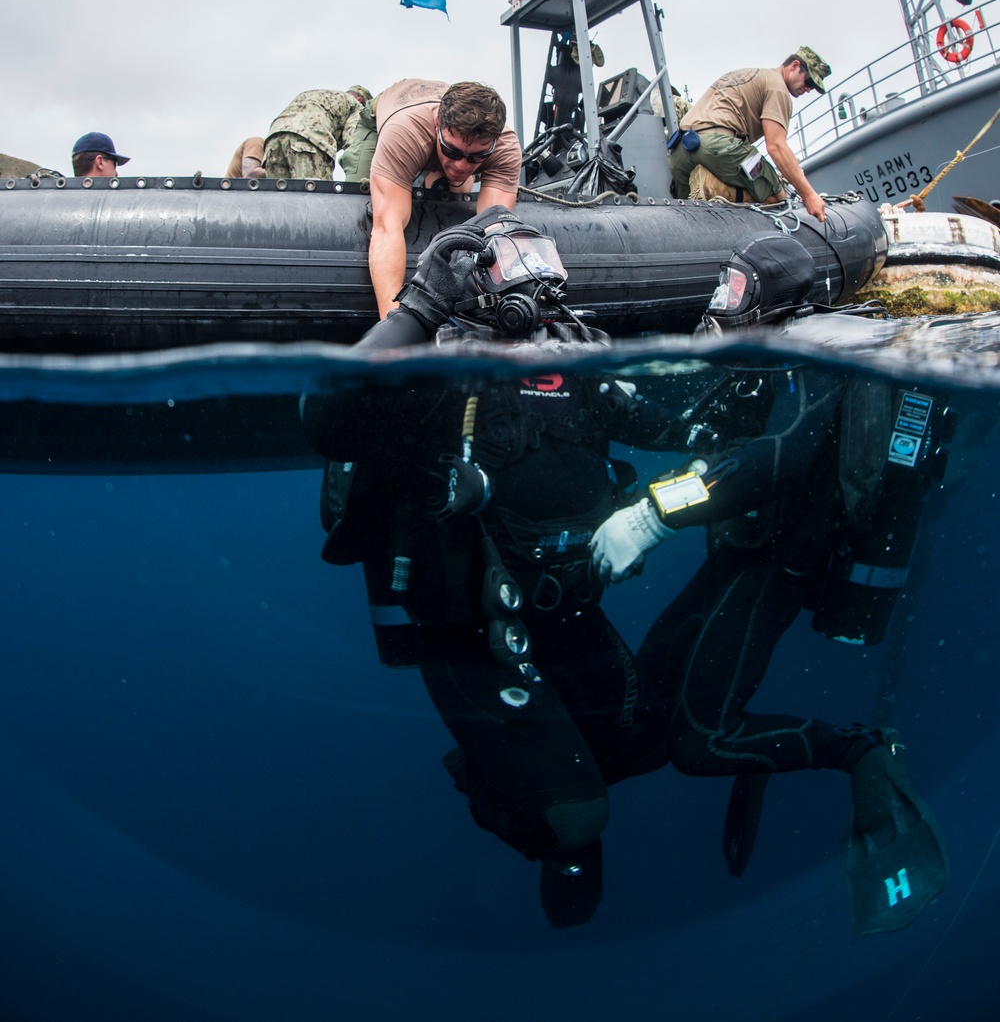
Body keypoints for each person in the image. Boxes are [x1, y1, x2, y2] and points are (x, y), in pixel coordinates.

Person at [301, 210, 673, 929]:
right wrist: (420, 308)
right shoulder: (436, 367)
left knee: (648, 744)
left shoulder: (575, 357)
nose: (533, 278)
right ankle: (509, 804)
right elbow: (328, 422)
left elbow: (666, 422)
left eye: (542, 255)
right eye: (511, 259)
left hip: (568, 610)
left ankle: (499, 766)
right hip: (473, 629)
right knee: (579, 819)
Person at [589, 233, 951, 937]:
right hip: (740, 556)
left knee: (699, 742)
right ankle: (762, 754)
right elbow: (709, 434)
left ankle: (862, 751)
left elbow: (776, 458)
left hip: (781, 566)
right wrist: (620, 399)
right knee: (648, 704)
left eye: (735, 293)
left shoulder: (817, 355)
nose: (722, 306)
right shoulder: (768, 360)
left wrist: (653, 517)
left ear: (778, 301)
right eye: (722, 290)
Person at [352, 80, 522, 318]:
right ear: (437, 126)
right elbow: (386, 227)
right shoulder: (405, 132)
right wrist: (393, 325)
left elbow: (495, 231)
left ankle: (444, 165)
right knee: (358, 187)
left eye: (476, 157)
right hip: (389, 112)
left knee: (456, 188)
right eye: (452, 151)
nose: (463, 165)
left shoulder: (505, 146)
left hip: (436, 118)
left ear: (493, 143)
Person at [668, 48, 831, 222]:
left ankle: (711, 181)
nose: (808, 89)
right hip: (717, 146)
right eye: (809, 82)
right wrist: (809, 195)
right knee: (777, 197)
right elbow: (776, 146)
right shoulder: (778, 88)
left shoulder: (748, 74)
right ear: (794, 66)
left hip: (679, 152)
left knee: (688, 215)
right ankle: (714, 188)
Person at [262, 86, 372, 181]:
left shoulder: (322, 95)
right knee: (315, 200)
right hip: (309, 139)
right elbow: (356, 144)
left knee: (280, 200)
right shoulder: (357, 106)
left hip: (273, 139)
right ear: (359, 99)